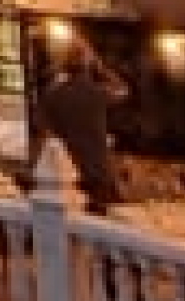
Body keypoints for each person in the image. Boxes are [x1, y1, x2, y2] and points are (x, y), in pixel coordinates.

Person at [36, 39, 129, 210]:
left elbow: (44, 132)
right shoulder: (96, 92)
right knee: (111, 221)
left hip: (69, 172)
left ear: (65, 66)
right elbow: (122, 90)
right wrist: (100, 67)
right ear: (87, 66)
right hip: (100, 171)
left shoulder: (53, 95)